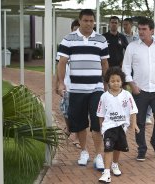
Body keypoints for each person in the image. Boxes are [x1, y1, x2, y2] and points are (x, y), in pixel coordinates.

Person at [57, 9, 109, 171]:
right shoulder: (68, 39)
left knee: (97, 123)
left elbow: (105, 64)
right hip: (76, 89)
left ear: (94, 22)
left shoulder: (101, 40)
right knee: (79, 123)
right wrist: (60, 83)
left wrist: (106, 86)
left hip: (96, 89)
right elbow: (62, 62)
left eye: (91, 21)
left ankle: (99, 156)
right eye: (85, 20)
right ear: (79, 21)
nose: (88, 23)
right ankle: (84, 152)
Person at [122, 17, 155, 161]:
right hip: (139, 90)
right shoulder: (132, 47)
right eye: (139, 29)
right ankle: (141, 149)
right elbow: (125, 67)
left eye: (144, 29)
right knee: (139, 121)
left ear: (152, 30)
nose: (141, 32)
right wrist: (132, 85)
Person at [97, 67, 140, 183]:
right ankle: (106, 173)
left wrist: (134, 124)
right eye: (112, 81)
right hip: (108, 127)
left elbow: (133, 110)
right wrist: (102, 128)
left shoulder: (127, 95)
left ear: (122, 82)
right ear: (108, 82)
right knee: (108, 147)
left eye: (118, 80)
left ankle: (114, 165)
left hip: (121, 127)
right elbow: (100, 114)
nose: (115, 83)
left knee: (117, 147)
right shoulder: (104, 97)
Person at [122, 18, 153, 125]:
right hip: (127, 67)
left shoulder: (137, 38)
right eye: (140, 29)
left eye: (127, 25)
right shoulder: (122, 37)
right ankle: (131, 115)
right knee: (129, 92)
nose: (141, 31)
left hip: (138, 69)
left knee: (148, 89)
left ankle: (147, 115)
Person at [56, 19, 81, 149]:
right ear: (71, 29)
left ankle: (77, 136)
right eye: (75, 29)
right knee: (65, 110)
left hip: (79, 86)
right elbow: (59, 65)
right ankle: (69, 128)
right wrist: (58, 83)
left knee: (77, 111)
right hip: (67, 84)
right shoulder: (65, 44)